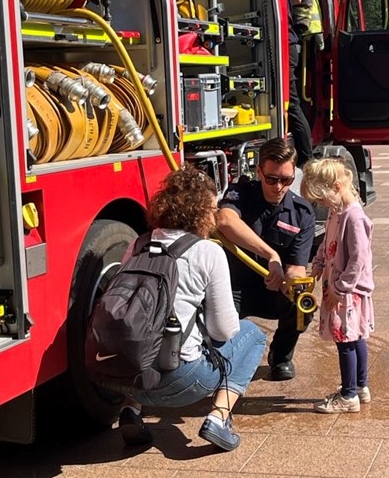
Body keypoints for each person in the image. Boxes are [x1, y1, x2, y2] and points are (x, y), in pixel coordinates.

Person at [116, 166, 266, 452]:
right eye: (214, 207)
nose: (216, 215)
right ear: (201, 210)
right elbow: (224, 329)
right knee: (253, 334)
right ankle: (219, 418)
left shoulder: (138, 243)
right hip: (181, 381)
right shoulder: (208, 251)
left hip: (124, 376)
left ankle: (131, 409)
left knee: (144, 334)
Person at [215, 137, 315, 381]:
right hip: (234, 286)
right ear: (259, 171)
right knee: (215, 332)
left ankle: (280, 357)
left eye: (286, 180)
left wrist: (290, 282)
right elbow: (225, 221)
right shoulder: (240, 192)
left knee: (302, 304)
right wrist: (271, 255)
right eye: (271, 179)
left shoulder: (302, 213)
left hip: (272, 290)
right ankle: (215, 360)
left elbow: (297, 266)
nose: (278, 186)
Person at [300, 158, 375, 414]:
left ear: (335, 186)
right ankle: (360, 386)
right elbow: (327, 241)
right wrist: (320, 261)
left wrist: (339, 289)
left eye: (321, 199)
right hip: (342, 287)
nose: (321, 205)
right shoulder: (338, 211)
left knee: (345, 341)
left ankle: (348, 394)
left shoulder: (353, 217)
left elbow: (358, 259)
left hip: (347, 291)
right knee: (356, 338)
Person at [282, 0, 314, 166]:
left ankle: (307, 157)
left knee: (290, 102)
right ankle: (306, 157)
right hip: (291, 41)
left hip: (283, 42)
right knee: (292, 102)